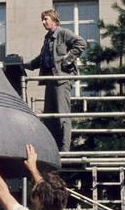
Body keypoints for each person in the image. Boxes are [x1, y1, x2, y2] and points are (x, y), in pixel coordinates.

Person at [24, 9, 86, 152]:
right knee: (49, 116)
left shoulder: (63, 33)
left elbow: (81, 43)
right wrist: (25, 65)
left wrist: (67, 60)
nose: (43, 22)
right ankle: (52, 149)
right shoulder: (47, 38)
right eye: (43, 19)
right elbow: (41, 59)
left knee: (62, 116)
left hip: (62, 81)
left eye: (46, 19)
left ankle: (65, 149)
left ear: (54, 20)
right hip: (50, 81)